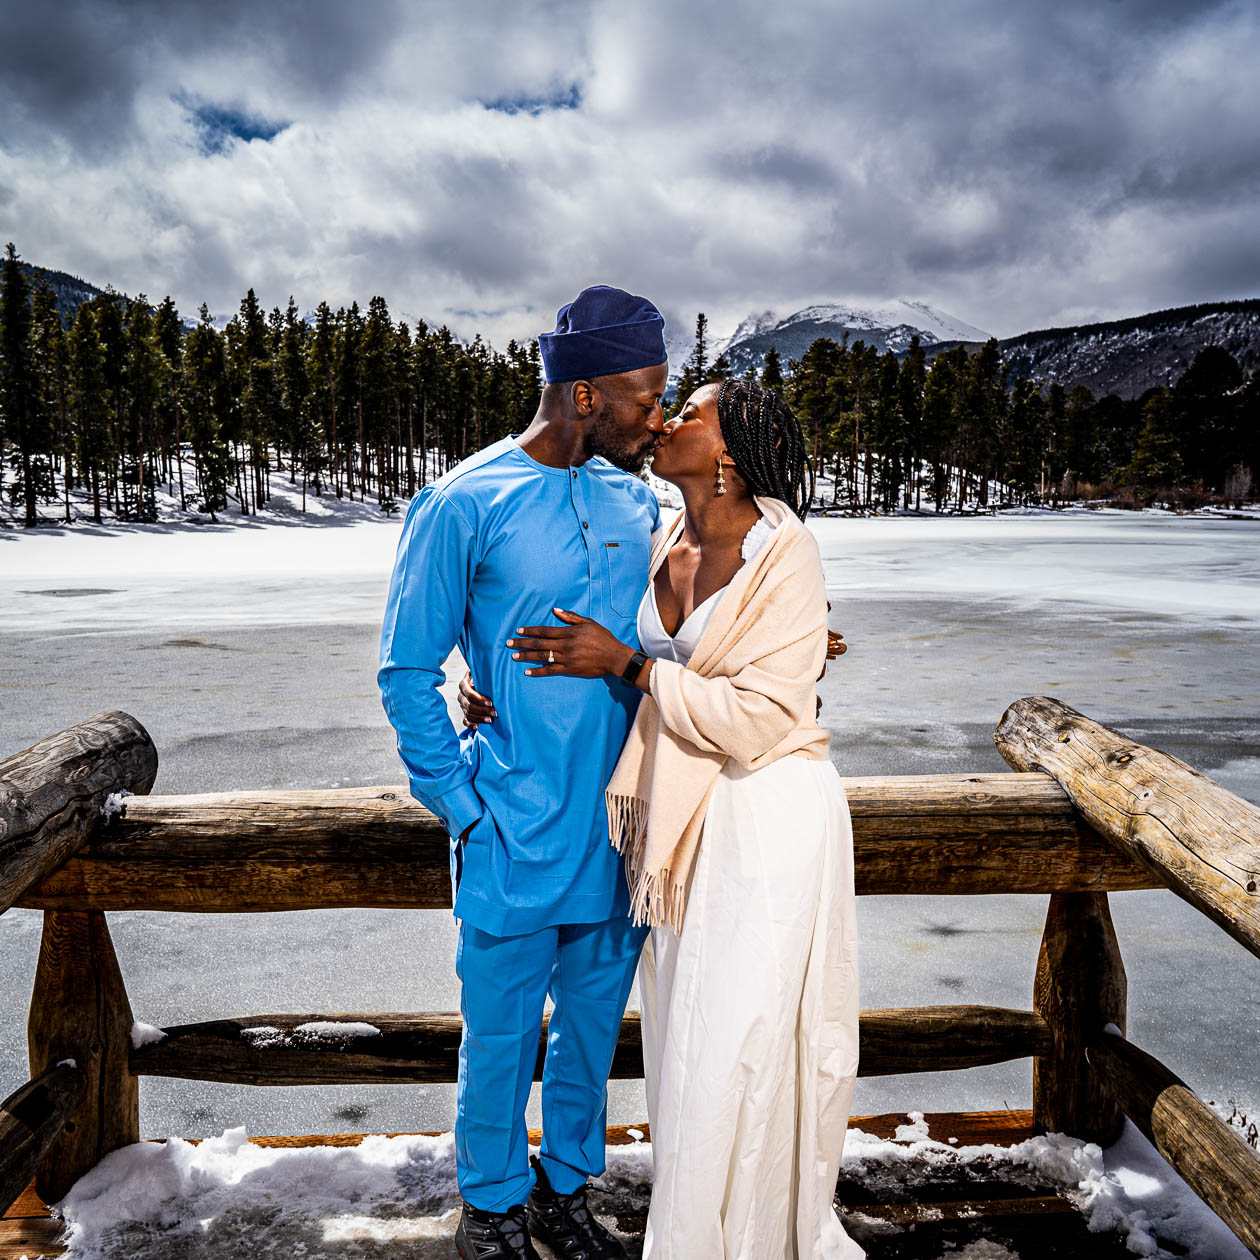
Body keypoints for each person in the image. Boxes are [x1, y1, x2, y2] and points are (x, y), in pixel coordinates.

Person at [464, 379, 862, 1258]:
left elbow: (758, 720)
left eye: (695, 411)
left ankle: (750, 1233)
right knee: (689, 1039)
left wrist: (637, 670)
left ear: (726, 455)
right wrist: (482, 680)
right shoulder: (660, 529)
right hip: (685, 827)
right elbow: (575, 611)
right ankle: (694, 1225)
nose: (672, 417)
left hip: (766, 823)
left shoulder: (782, 550)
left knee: (744, 1038)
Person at [378, 285, 670, 1260]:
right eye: (644, 395)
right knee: (499, 1043)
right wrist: (462, 810)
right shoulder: (463, 502)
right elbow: (408, 671)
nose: (655, 417)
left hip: (620, 832)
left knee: (589, 1036)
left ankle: (564, 1192)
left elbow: (688, 623)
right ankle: (493, 1206)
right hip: (510, 827)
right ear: (586, 395)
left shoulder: (637, 501)